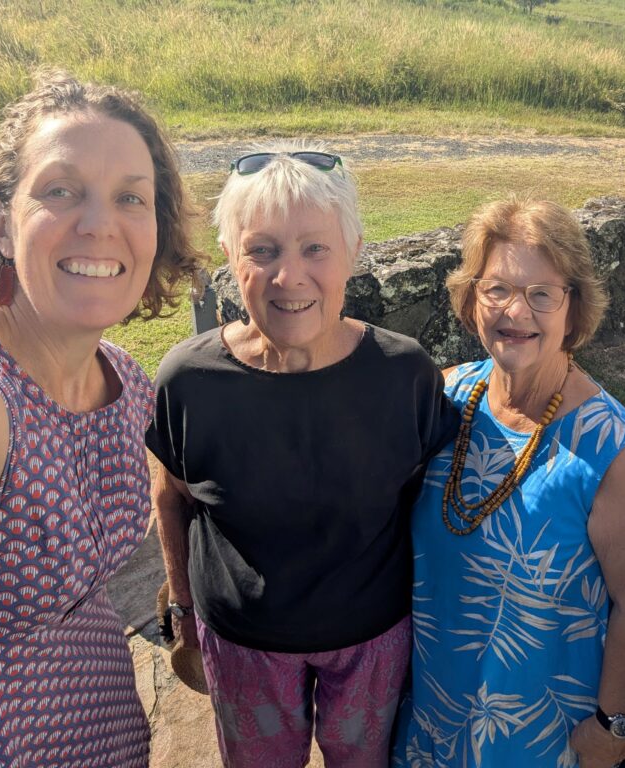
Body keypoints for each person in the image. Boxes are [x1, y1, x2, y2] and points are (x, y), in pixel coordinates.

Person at [146, 145, 460, 768]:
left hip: (372, 640)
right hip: (244, 645)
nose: (289, 277)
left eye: (315, 248)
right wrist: (182, 608)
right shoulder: (189, 379)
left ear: (353, 252)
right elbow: (171, 493)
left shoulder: (406, 374)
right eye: (262, 250)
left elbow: (433, 497)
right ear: (231, 261)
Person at [0, 69, 203, 767]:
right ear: (3, 221)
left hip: (108, 728)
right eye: (60, 190)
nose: (99, 224)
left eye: (130, 197)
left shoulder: (125, 379)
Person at [392, 197, 625, 768]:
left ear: (574, 307)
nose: (515, 311)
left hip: (540, 738)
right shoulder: (442, 399)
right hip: (430, 720)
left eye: (541, 294)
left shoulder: (613, 453)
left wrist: (613, 728)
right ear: (471, 299)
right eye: (496, 289)